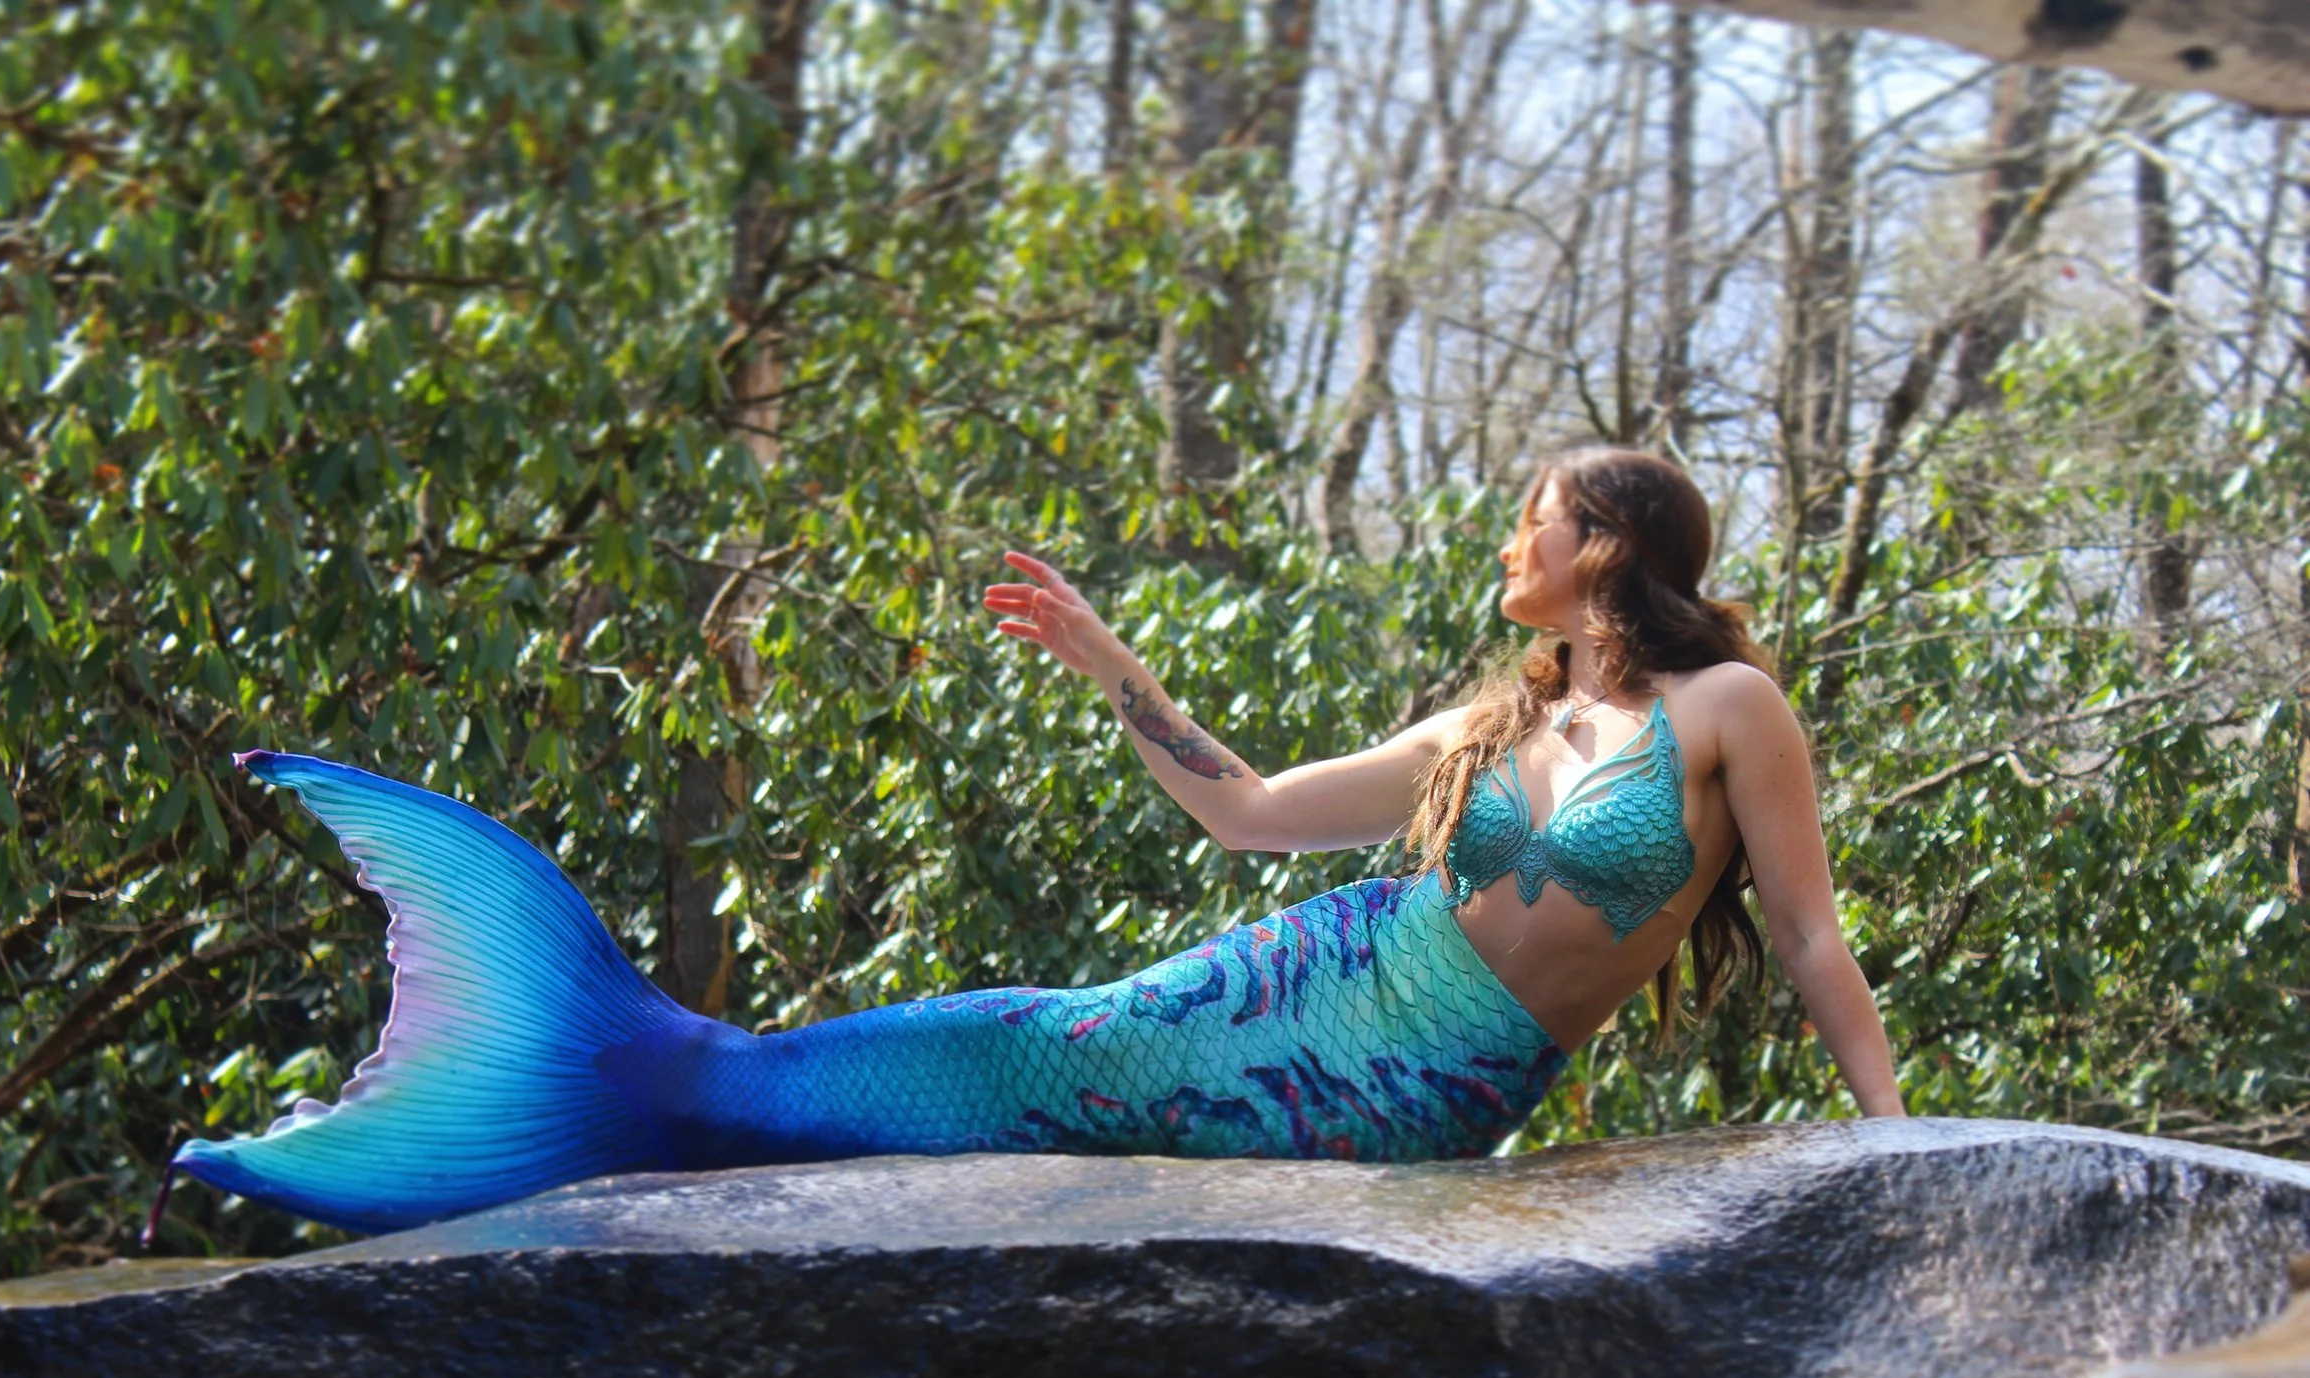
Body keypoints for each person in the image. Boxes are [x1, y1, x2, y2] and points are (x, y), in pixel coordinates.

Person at [162, 445, 1902, 1238]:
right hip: (1317, 976)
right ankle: (639, 1083)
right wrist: (1113, 663)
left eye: (1535, 526)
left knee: (1069, 1087)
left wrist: (1896, 1138)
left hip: (1438, 1089)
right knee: (1045, 1045)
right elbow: (1252, 814)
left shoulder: (1731, 712)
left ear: (1608, 547)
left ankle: (630, 1088)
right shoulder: (1494, 722)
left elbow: (1813, 939)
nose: (1509, 551)